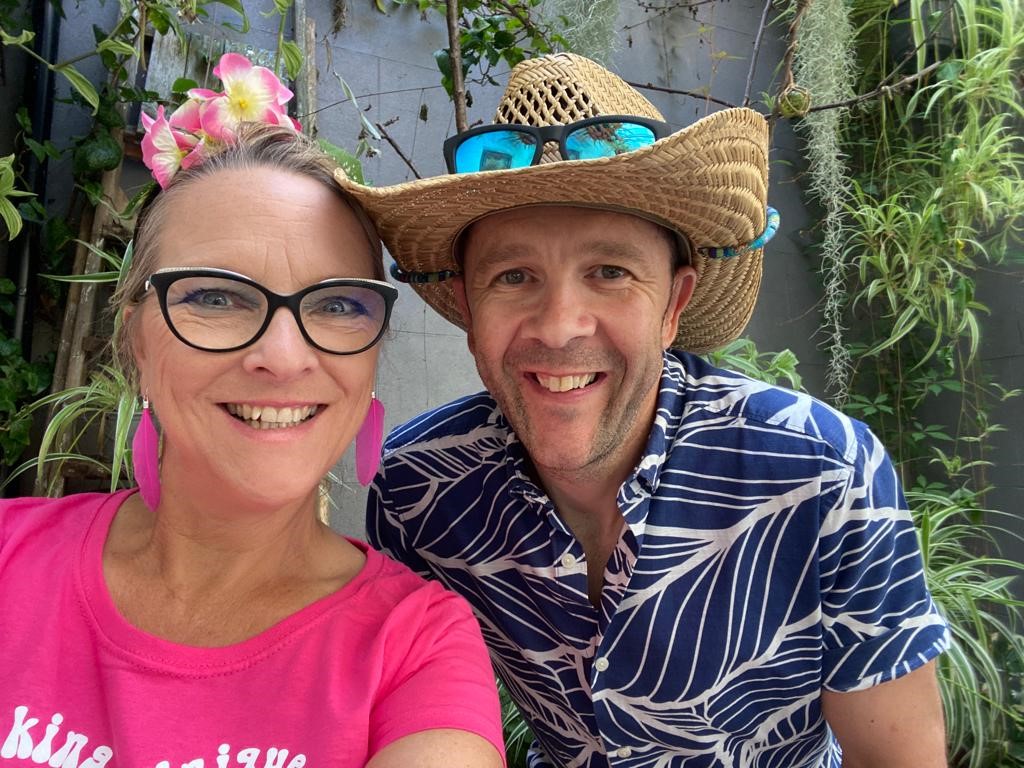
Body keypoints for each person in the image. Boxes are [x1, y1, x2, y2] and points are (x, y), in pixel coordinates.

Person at [340, 53, 951, 767]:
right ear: (471, 310)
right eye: (514, 276)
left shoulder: (822, 473)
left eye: (610, 272)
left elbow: (900, 757)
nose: (561, 325)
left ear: (674, 304)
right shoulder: (420, 491)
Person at [0, 117, 505, 766]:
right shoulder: (10, 560)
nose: (283, 356)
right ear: (137, 342)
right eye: (215, 296)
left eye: (338, 304)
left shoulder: (415, 648)